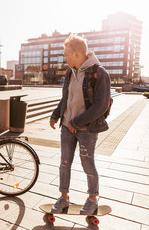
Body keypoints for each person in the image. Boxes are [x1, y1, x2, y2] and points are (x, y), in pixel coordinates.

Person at [49, 34, 111, 215]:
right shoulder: (70, 73)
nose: (64, 58)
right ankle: (63, 197)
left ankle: (92, 199)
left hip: (87, 130)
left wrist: (77, 121)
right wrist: (55, 114)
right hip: (67, 127)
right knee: (64, 163)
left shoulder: (99, 73)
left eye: (66, 54)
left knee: (88, 164)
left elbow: (102, 105)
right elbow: (65, 98)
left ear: (77, 54)